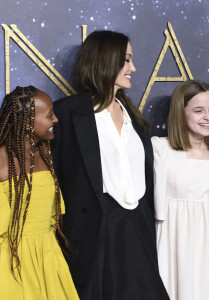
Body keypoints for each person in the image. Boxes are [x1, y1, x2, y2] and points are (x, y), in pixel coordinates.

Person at [51, 30, 169, 300]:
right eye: (126, 60)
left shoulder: (134, 118)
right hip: (94, 234)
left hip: (137, 229)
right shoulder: (66, 114)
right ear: (106, 60)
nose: (133, 68)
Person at [0, 86, 79, 299]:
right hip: (13, 265)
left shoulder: (44, 154)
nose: (56, 120)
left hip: (48, 258)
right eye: (49, 115)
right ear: (27, 122)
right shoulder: (1, 164)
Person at [152, 80, 209, 300]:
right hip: (171, 243)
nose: (208, 117)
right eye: (198, 110)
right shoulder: (160, 149)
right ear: (180, 113)